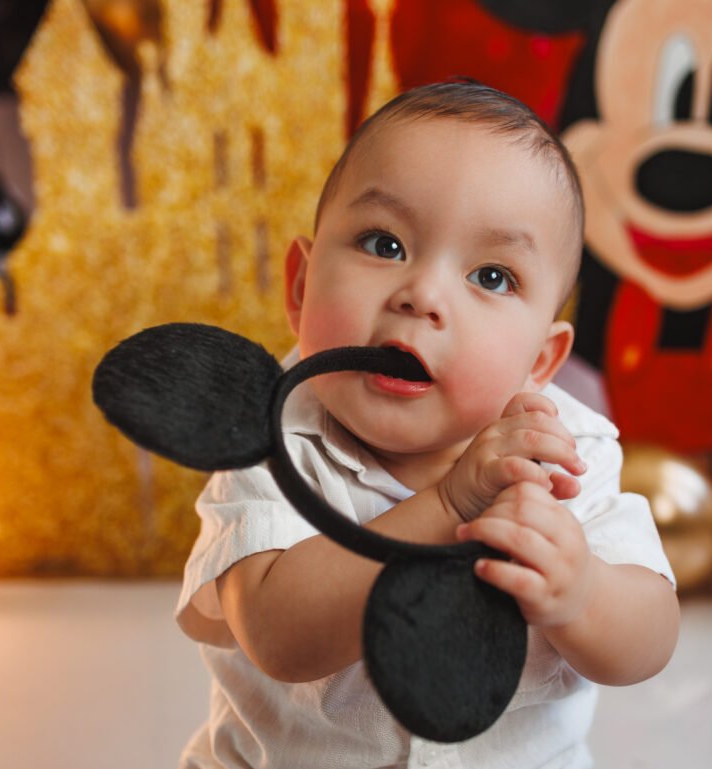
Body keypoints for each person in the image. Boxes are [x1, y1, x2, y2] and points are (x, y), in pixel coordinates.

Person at [175, 81, 679, 769]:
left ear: (541, 361)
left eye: (492, 277)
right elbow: (276, 633)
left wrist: (584, 590)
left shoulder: (565, 452)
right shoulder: (272, 436)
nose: (423, 295)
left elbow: (651, 635)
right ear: (300, 287)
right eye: (383, 243)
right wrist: (445, 506)